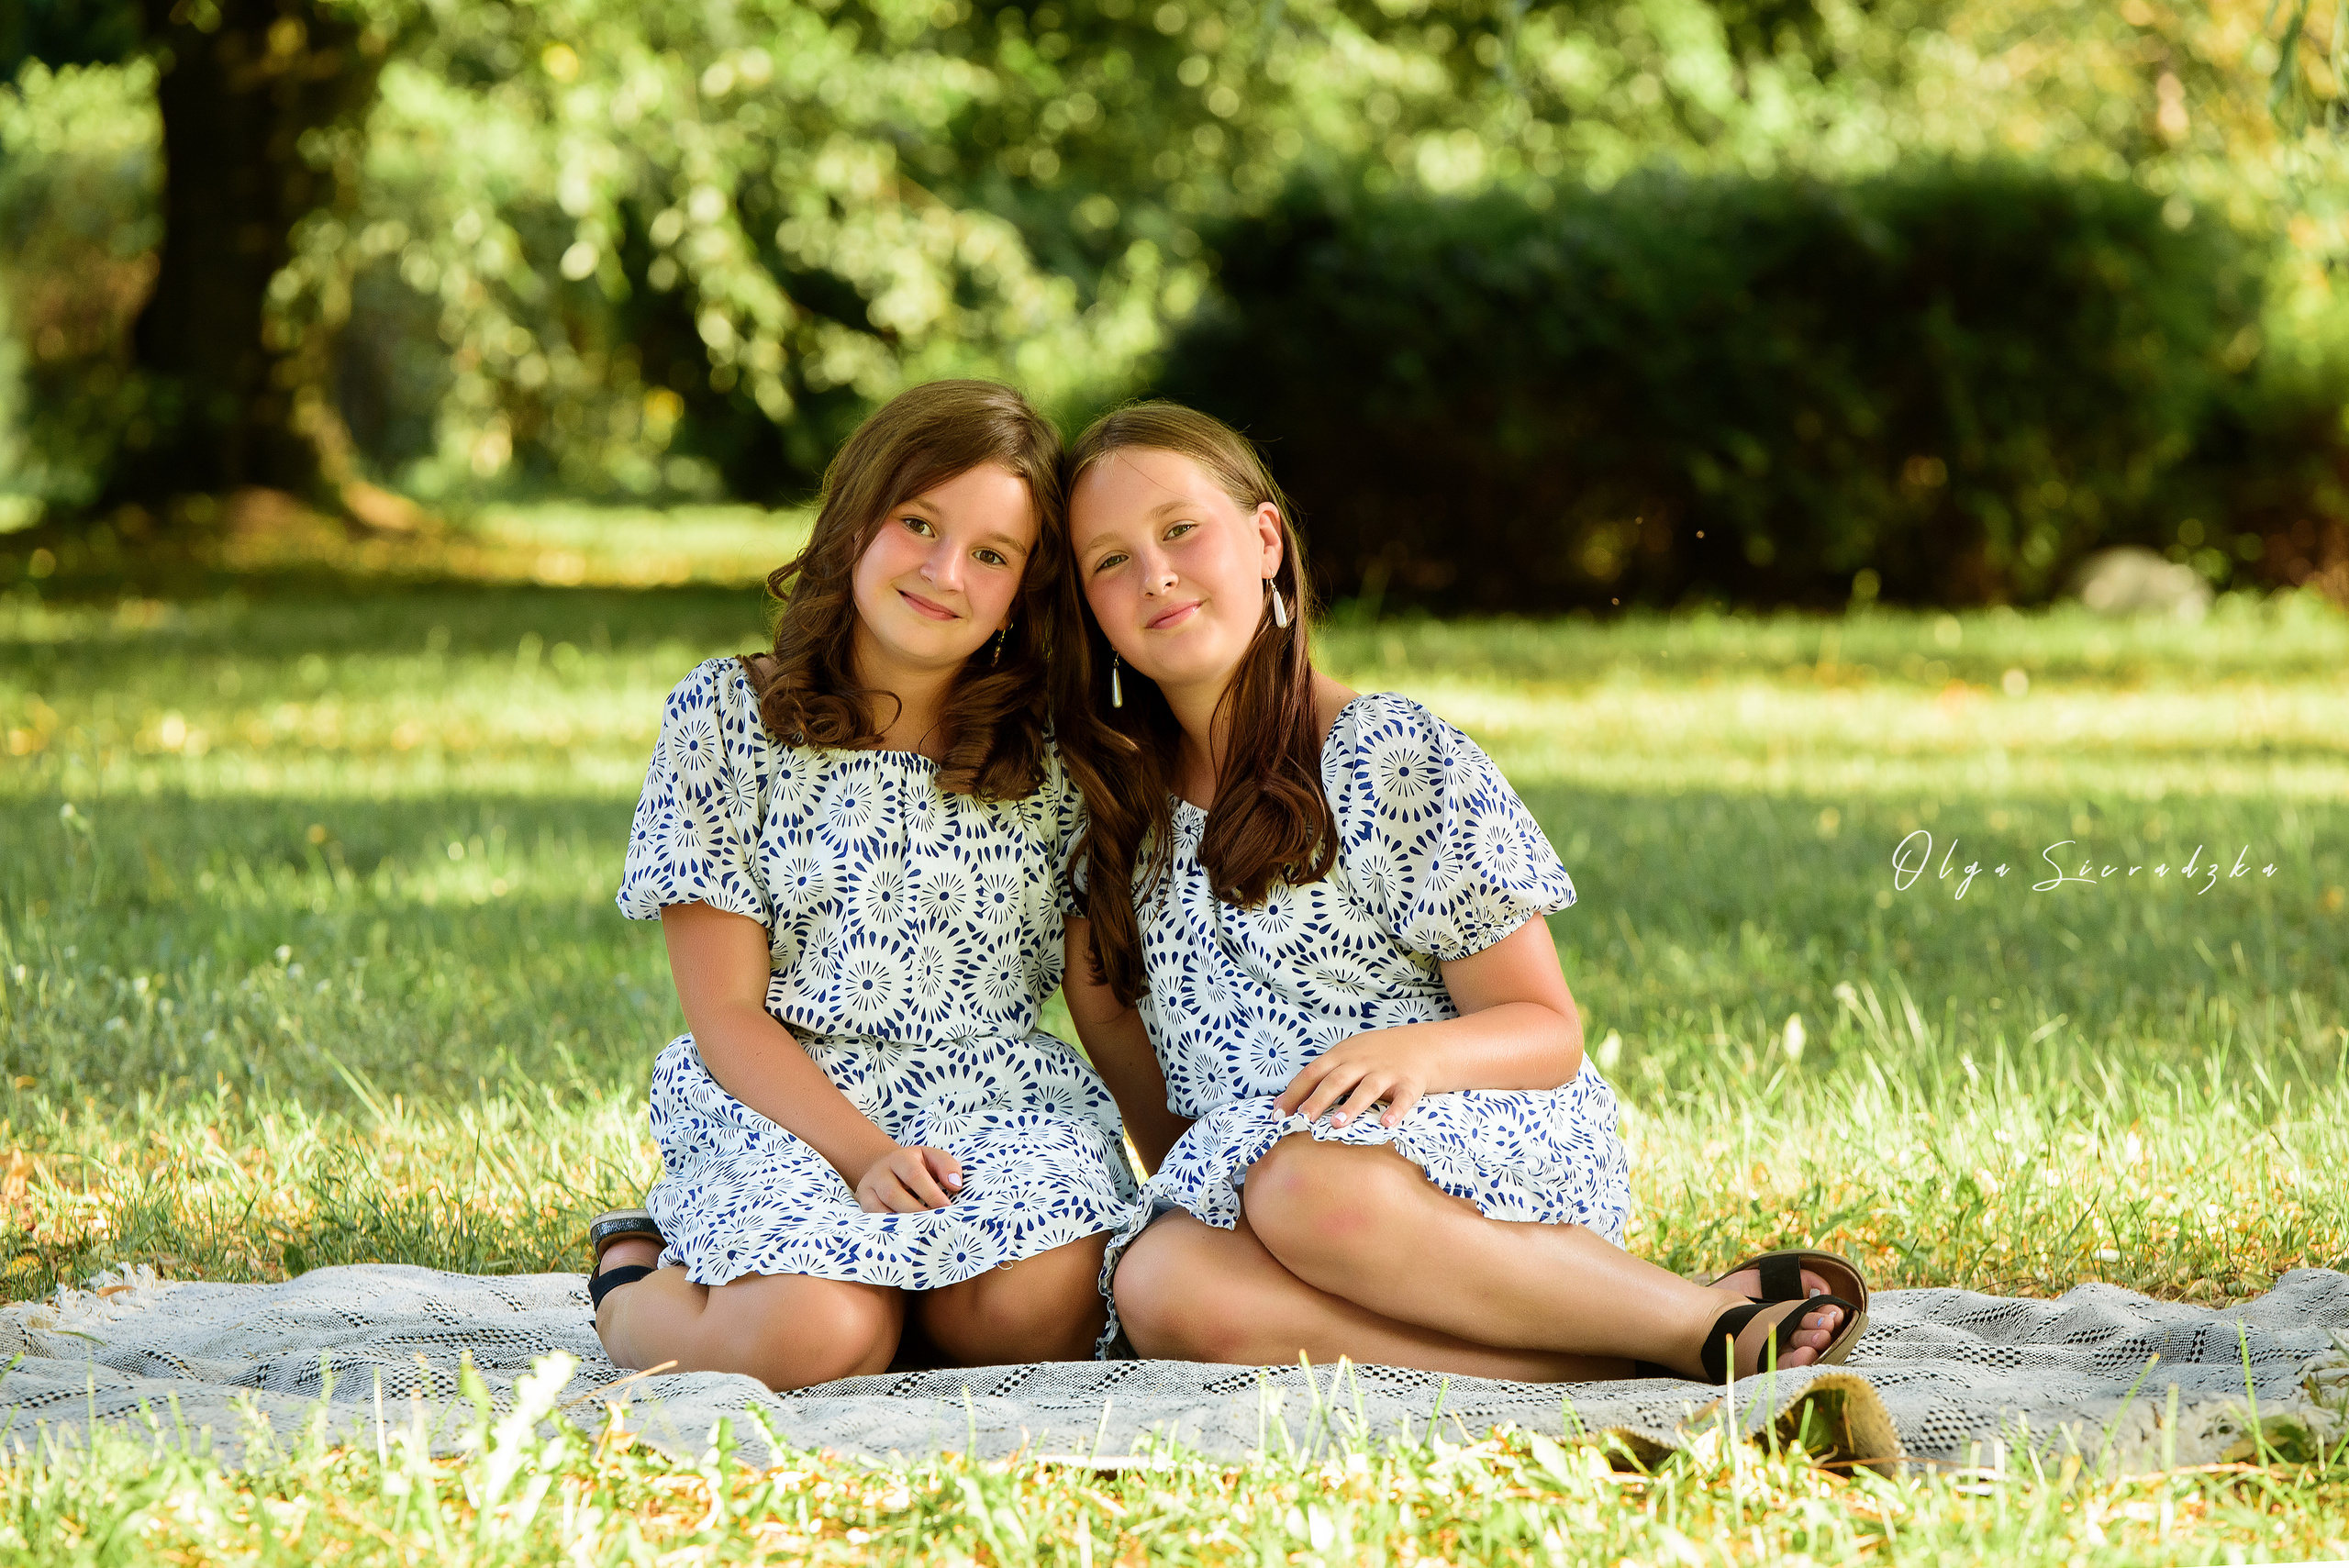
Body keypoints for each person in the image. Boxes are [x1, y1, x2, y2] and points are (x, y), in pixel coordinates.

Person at [1051, 401, 1868, 1384]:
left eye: (1181, 529)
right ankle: (1583, 1362)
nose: (1156, 574)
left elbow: (1543, 1025)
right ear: (1085, 603)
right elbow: (1175, 1132)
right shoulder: (1110, 818)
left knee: (1306, 1183)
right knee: (1159, 1279)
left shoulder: (1384, 755)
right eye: (1109, 560)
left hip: (1463, 1152)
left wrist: (1411, 1052)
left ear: (1264, 538)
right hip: (1270, 1198)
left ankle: (1687, 1318)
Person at [587, 380, 1141, 1389]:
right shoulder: (727, 717)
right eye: (917, 524)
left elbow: (1100, 1003)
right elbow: (726, 1013)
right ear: (853, 523)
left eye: (990, 554)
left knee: (1034, 1315)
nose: (943, 572)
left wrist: (1186, 1171)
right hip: (787, 1094)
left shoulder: (1052, 756)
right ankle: (632, 1278)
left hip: (998, 1098)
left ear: (1027, 586)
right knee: (810, 1338)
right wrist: (864, 1153)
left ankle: (903, 1305)